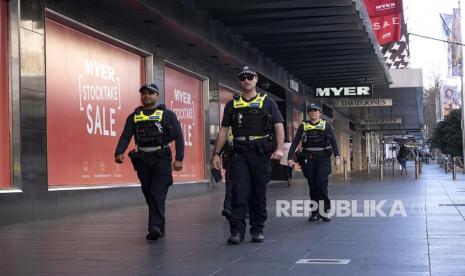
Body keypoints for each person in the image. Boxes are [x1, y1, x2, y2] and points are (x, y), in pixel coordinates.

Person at [211, 66, 284, 245]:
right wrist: (216, 154)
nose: (246, 80)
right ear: (239, 81)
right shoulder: (232, 104)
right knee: (239, 192)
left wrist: (280, 149)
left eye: (250, 77)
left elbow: (278, 125)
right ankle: (237, 231)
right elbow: (223, 130)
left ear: (256, 80)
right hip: (239, 153)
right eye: (243, 78)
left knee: (259, 193)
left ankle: (257, 229)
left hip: (260, 153)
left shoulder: (268, 101)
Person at [114, 83, 184, 241]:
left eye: (150, 93)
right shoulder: (134, 116)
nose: (146, 96)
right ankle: (159, 226)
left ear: (157, 96)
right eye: (144, 93)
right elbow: (126, 136)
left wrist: (179, 159)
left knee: (156, 192)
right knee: (148, 193)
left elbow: (179, 136)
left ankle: (154, 227)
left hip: (162, 159)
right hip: (142, 160)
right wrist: (119, 152)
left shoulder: (167, 115)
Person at [287, 103, 340, 222]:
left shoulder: (326, 125)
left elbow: (334, 141)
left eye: (315, 111)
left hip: (323, 158)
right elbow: (295, 142)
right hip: (308, 158)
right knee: (312, 185)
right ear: (308, 113)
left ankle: (324, 212)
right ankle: (315, 212)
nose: (312, 113)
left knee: (321, 183)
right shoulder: (303, 126)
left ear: (319, 113)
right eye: (310, 111)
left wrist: (337, 156)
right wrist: (289, 157)